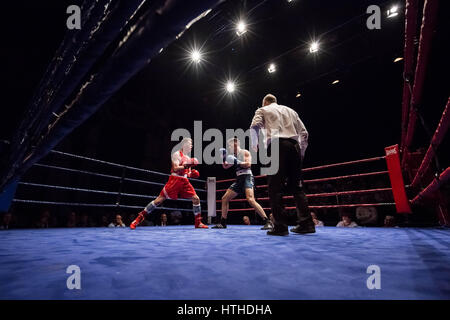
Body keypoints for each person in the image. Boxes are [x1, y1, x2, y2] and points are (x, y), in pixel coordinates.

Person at [250, 94, 314, 236]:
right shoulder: (291, 111)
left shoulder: (263, 110)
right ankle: (307, 224)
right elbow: (304, 133)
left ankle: (280, 226)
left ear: (265, 102)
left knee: (275, 187)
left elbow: (254, 126)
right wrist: (301, 153)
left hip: (276, 146)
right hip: (294, 146)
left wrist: (255, 145)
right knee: (298, 187)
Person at [130, 137, 208, 229]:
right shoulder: (176, 154)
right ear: (184, 145)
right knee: (159, 200)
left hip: (184, 181)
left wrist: (193, 174)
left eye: (192, 144)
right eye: (190, 144)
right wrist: (187, 165)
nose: (191, 146)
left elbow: (187, 173)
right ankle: (138, 219)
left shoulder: (188, 157)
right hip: (175, 180)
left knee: (196, 199)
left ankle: (198, 223)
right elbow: (175, 168)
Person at [212, 137, 272, 230]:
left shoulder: (245, 152)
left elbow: (248, 164)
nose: (229, 147)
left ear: (236, 144)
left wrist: (237, 161)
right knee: (224, 198)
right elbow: (225, 166)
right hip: (239, 179)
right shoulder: (232, 155)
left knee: (250, 199)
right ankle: (223, 223)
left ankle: (267, 221)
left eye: (230, 145)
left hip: (247, 177)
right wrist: (223, 158)